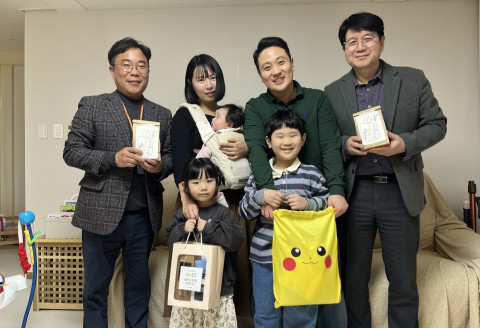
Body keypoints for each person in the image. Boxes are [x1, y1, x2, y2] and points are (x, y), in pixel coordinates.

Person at [324, 12, 447, 328]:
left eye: (367, 38)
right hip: (355, 195)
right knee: (353, 281)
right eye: (352, 41)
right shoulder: (332, 91)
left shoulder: (412, 78)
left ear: (381, 41)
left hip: (399, 190)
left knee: (403, 280)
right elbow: (325, 141)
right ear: (344, 50)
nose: (360, 46)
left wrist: (402, 144)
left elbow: (437, 124)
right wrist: (343, 144)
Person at [63, 37, 173, 328]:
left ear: (148, 71)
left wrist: (161, 165)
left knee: (139, 289)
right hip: (99, 213)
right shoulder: (94, 106)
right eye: (127, 65)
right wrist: (113, 158)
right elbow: (72, 151)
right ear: (113, 71)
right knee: (96, 291)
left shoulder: (162, 114)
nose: (135, 71)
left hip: (143, 218)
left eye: (141, 65)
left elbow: (172, 157)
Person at [244, 36, 348, 327]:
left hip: (310, 229)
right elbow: (254, 150)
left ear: (292, 63)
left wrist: (336, 191)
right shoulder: (254, 107)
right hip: (268, 245)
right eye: (267, 67)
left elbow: (330, 145)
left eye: (281, 62)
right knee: (266, 312)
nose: (275, 70)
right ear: (260, 74)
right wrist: (268, 193)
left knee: (310, 306)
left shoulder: (317, 99)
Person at [168, 54, 251, 316]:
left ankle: (231, 319)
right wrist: (187, 199)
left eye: (213, 77)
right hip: (198, 201)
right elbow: (181, 159)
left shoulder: (231, 115)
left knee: (233, 265)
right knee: (197, 270)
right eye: (201, 79)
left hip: (233, 201)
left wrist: (245, 146)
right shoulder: (185, 115)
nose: (209, 84)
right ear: (190, 83)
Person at [239, 110, 330, 327]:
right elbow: (244, 212)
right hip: (265, 257)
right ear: (269, 142)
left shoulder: (312, 174)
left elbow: (327, 204)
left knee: (301, 316)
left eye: (293, 135)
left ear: (303, 139)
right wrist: (261, 197)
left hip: (304, 260)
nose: (287, 141)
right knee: (265, 314)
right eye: (280, 136)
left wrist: (308, 204)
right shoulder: (259, 175)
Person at [166, 158, 245, 328]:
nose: (203, 187)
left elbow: (236, 240)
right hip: (187, 288)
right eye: (196, 182)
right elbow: (171, 245)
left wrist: (209, 229)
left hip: (219, 289)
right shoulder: (182, 214)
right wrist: (182, 229)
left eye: (209, 181)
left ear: (218, 183)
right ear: (186, 186)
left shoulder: (224, 213)